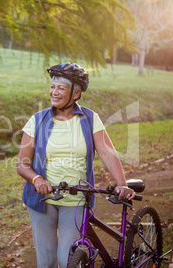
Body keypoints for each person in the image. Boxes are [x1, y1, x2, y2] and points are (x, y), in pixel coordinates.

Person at [16, 62, 135, 268]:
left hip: (76, 199)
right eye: (52, 86)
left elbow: (107, 152)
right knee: (47, 262)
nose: (54, 92)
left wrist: (121, 183)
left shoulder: (90, 119)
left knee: (67, 259)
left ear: (76, 92)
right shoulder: (37, 120)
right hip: (42, 198)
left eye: (61, 87)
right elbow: (22, 164)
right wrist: (37, 179)